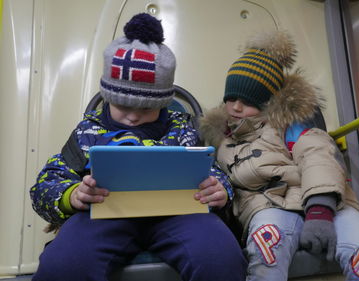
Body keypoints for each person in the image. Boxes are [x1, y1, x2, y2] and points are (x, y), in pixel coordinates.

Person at [29, 13, 247, 281]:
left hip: (179, 215)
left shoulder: (182, 128)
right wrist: (72, 196)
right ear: (108, 98)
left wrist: (219, 190)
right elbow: (46, 183)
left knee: (221, 257)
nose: (133, 117)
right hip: (103, 215)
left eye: (146, 109)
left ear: (163, 104)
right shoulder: (89, 130)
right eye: (122, 106)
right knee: (63, 265)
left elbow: (215, 171)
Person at [199, 30, 359, 281]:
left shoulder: (291, 124)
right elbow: (230, 190)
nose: (236, 107)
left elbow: (318, 157)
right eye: (231, 98)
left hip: (326, 202)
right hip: (267, 206)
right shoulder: (221, 142)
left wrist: (320, 211)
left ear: (268, 102)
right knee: (268, 247)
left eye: (248, 100)